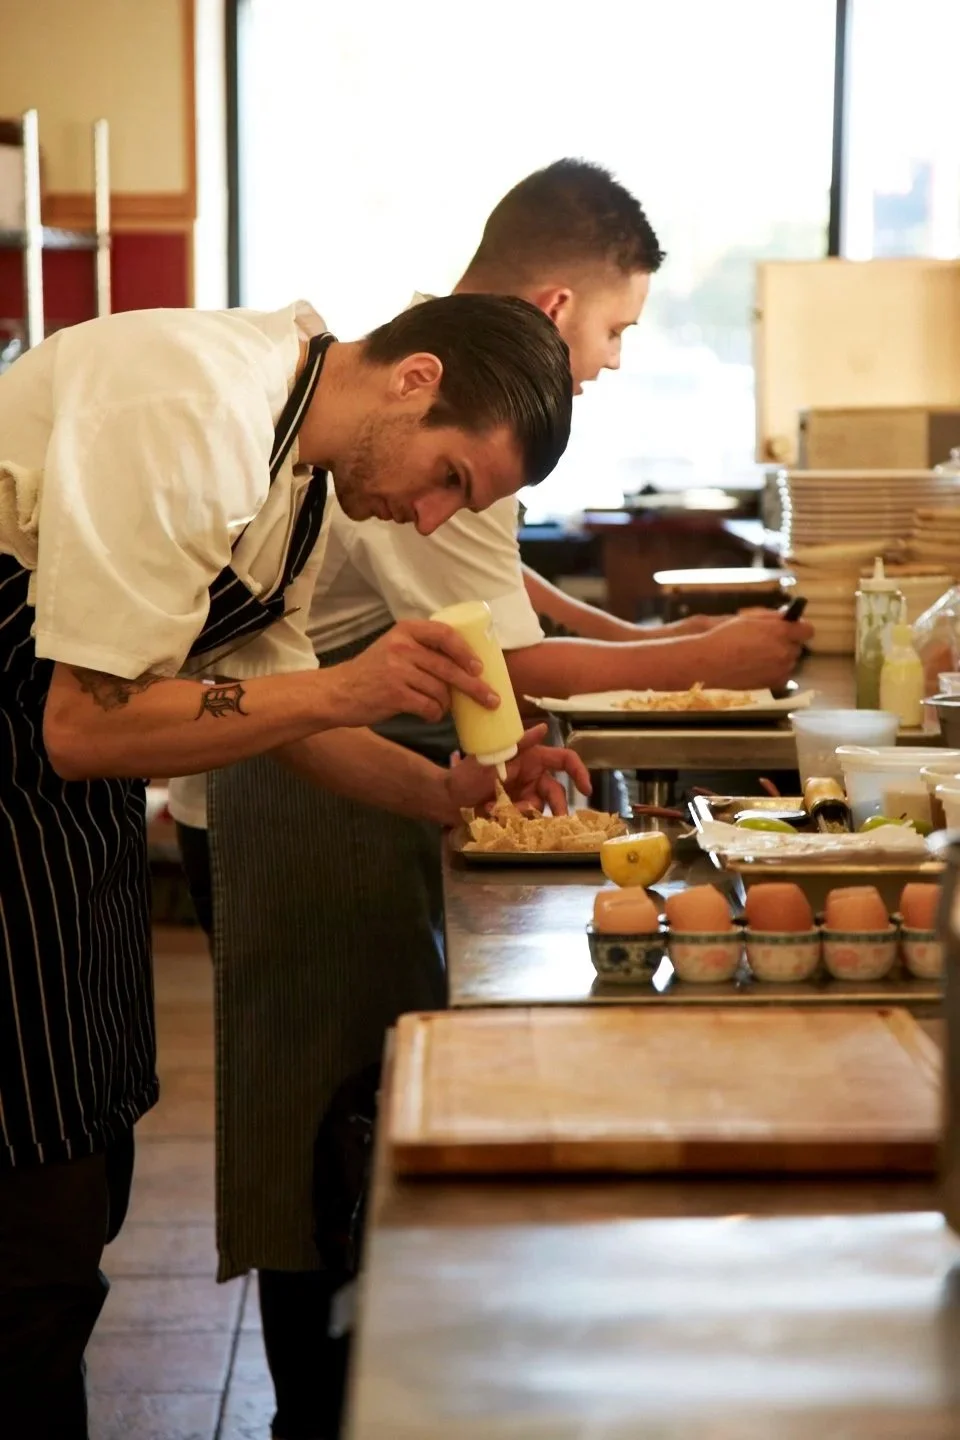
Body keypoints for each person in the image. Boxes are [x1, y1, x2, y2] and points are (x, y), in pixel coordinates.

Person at [188, 160, 812, 1440]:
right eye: (617, 329)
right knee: (316, 1122)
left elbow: (494, 603)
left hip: (370, 753)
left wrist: (628, 642)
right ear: (554, 296)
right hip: (291, 776)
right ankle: (324, 1409)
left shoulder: (466, 388)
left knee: (370, 1098)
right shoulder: (429, 409)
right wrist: (700, 656)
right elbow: (510, 652)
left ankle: (369, 1369)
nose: (617, 359)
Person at [0, 291, 585, 1439]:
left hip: (69, 815)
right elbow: (82, 721)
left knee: (95, 1152)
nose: (428, 520)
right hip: (24, 789)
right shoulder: (189, 409)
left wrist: (444, 794)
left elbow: (266, 712)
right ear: (415, 379)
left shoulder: (299, 485)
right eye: (450, 478)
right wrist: (347, 683)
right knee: (33, 1228)